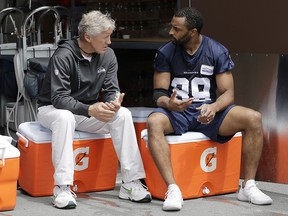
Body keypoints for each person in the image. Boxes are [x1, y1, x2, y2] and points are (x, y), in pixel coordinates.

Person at [146, 7, 273, 211]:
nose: (170, 32)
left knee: (253, 118)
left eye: (176, 29)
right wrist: (169, 104)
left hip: (208, 112)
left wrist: (213, 107)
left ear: (193, 32)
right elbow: (158, 93)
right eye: (171, 27)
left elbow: (228, 94)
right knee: (153, 122)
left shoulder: (216, 50)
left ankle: (248, 186)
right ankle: (173, 188)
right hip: (177, 112)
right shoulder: (166, 52)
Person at [37, 10, 151, 209]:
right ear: (88, 37)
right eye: (105, 37)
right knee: (65, 118)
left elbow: (110, 89)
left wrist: (113, 102)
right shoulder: (64, 55)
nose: (109, 42)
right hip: (52, 110)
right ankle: (62, 187)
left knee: (123, 114)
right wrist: (90, 109)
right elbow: (58, 98)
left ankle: (131, 183)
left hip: (86, 111)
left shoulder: (108, 55)